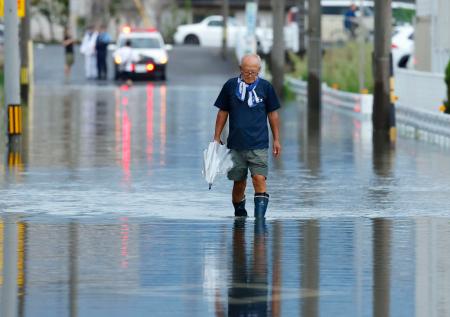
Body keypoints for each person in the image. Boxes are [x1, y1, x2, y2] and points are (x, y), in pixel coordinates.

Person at [213, 54, 281, 218]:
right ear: (240, 69)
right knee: (239, 183)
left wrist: (276, 139)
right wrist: (216, 137)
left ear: (259, 70)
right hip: (236, 145)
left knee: (259, 179)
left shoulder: (266, 88)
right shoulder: (230, 86)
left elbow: (272, 115)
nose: (250, 75)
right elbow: (223, 112)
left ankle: (260, 220)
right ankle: (240, 212)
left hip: (259, 144)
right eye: (247, 71)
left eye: (254, 72)